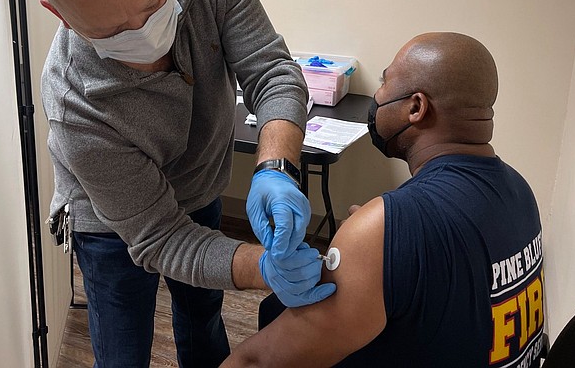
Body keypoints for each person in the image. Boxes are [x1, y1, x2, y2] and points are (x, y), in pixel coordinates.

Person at [22, 0, 334, 368]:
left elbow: (272, 72)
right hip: (114, 222)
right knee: (123, 349)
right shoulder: (74, 100)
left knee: (203, 318)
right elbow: (161, 237)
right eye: (113, 30)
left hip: (200, 184)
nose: (144, 33)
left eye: (151, 4)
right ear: (60, 15)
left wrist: (275, 169)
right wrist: (262, 268)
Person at [222, 32, 545, 368]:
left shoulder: (389, 228)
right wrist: (382, 246)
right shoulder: (520, 191)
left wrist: (374, 238)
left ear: (416, 107)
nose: (376, 96)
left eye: (384, 82)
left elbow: (256, 362)